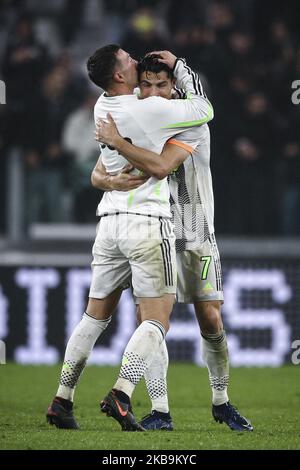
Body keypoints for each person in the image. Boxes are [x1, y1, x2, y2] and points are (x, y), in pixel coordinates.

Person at [46, 45, 213, 431]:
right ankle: (121, 393)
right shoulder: (150, 109)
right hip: (147, 223)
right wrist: (179, 67)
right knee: (158, 318)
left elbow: (99, 173)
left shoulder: (103, 108)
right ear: (120, 75)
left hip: (108, 223)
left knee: (94, 317)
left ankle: (62, 399)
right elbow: (204, 109)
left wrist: (107, 178)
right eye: (128, 60)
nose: (136, 60)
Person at [93, 53, 253, 432]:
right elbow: (99, 171)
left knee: (210, 317)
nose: (151, 92)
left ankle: (221, 401)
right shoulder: (142, 119)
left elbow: (162, 166)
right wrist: (107, 180)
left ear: (174, 88)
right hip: (156, 230)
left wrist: (119, 142)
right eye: (145, 85)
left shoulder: (190, 122)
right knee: (149, 319)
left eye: (160, 85)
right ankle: (161, 410)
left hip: (196, 232)